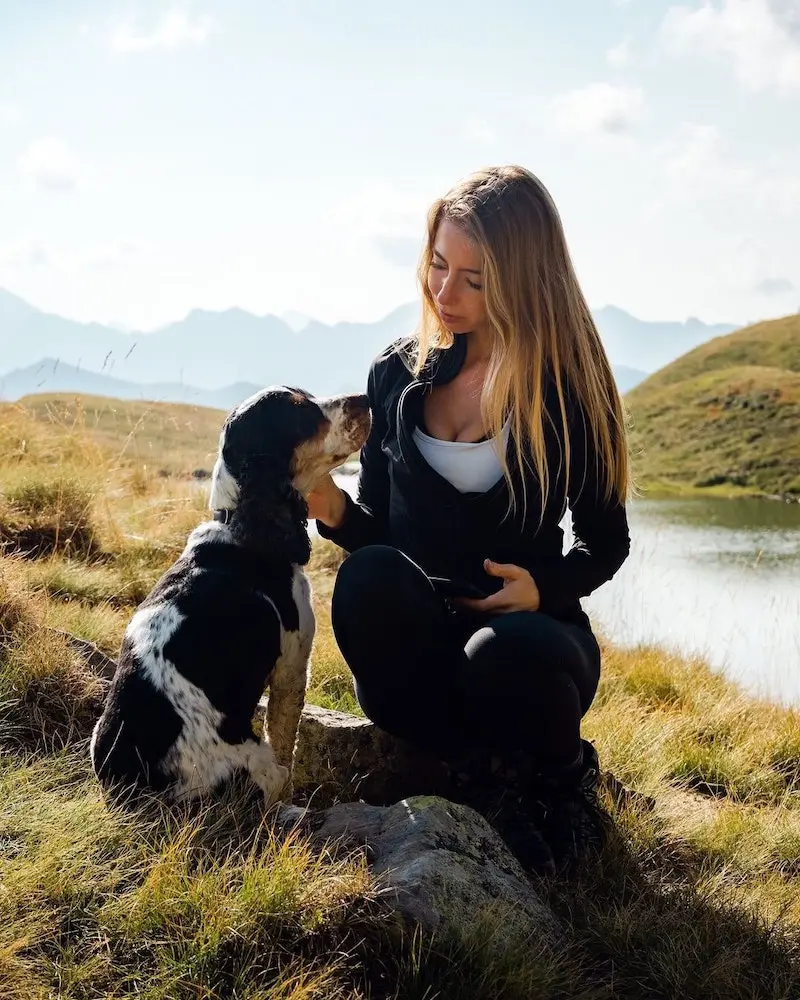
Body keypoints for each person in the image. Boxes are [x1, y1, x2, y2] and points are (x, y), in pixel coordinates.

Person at [307, 165, 631, 873]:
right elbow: (384, 537)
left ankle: (562, 778)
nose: (444, 293)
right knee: (367, 580)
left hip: (530, 645)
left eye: (475, 280)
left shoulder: (569, 388)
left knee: (501, 654)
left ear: (522, 280)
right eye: (437, 265)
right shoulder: (395, 373)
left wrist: (542, 588)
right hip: (421, 649)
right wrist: (334, 513)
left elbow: (607, 544)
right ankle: (483, 774)